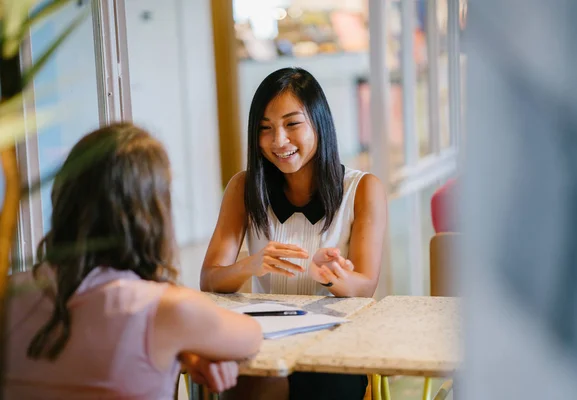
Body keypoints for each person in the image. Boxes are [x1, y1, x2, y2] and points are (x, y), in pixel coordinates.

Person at [5, 124, 263, 399]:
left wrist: (180, 350)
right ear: (150, 215)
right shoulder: (168, 308)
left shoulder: (8, 294)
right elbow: (250, 336)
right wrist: (185, 347)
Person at [201, 68, 387, 399]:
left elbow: (365, 286)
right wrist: (252, 265)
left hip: (335, 346)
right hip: (266, 344)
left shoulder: (362, 189)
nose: (279, 141)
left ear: (319, 122)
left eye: (292, 124)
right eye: (265, 129)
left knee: (323, 385)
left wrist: (329, 275)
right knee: (248, 382)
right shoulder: (244, 187)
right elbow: (209, 279)